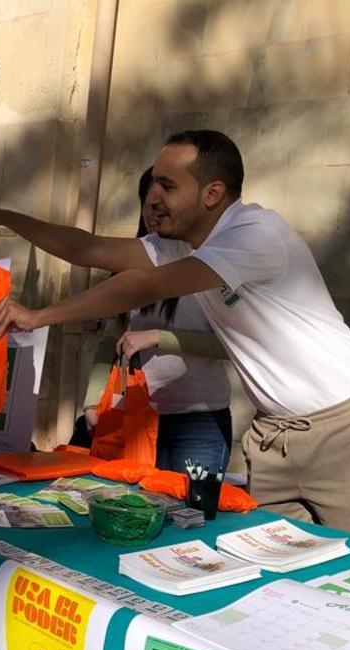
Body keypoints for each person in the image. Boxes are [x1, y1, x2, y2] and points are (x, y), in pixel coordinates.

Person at [0, 130, 350, 545]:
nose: (152, 197)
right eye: (153, 184)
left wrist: (38, 316)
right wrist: (0, 217)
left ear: (213, 193)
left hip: (344, 431)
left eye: (168, 186)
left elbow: (141, 286)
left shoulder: (256, 234)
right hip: (274, 436)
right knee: (275, 566)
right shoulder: (183, 243)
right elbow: (87, 248)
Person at [77, 166, 231, 474]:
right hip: (132, 414)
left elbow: (229, 345)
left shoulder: (214, 262)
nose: (153, 210)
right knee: (126, 509)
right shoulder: (132, 262)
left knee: (188, 516)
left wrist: (159, 337)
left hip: (198, 421)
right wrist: (92, 402)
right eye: (147, 202)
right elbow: (110, 339)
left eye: (162, 201)